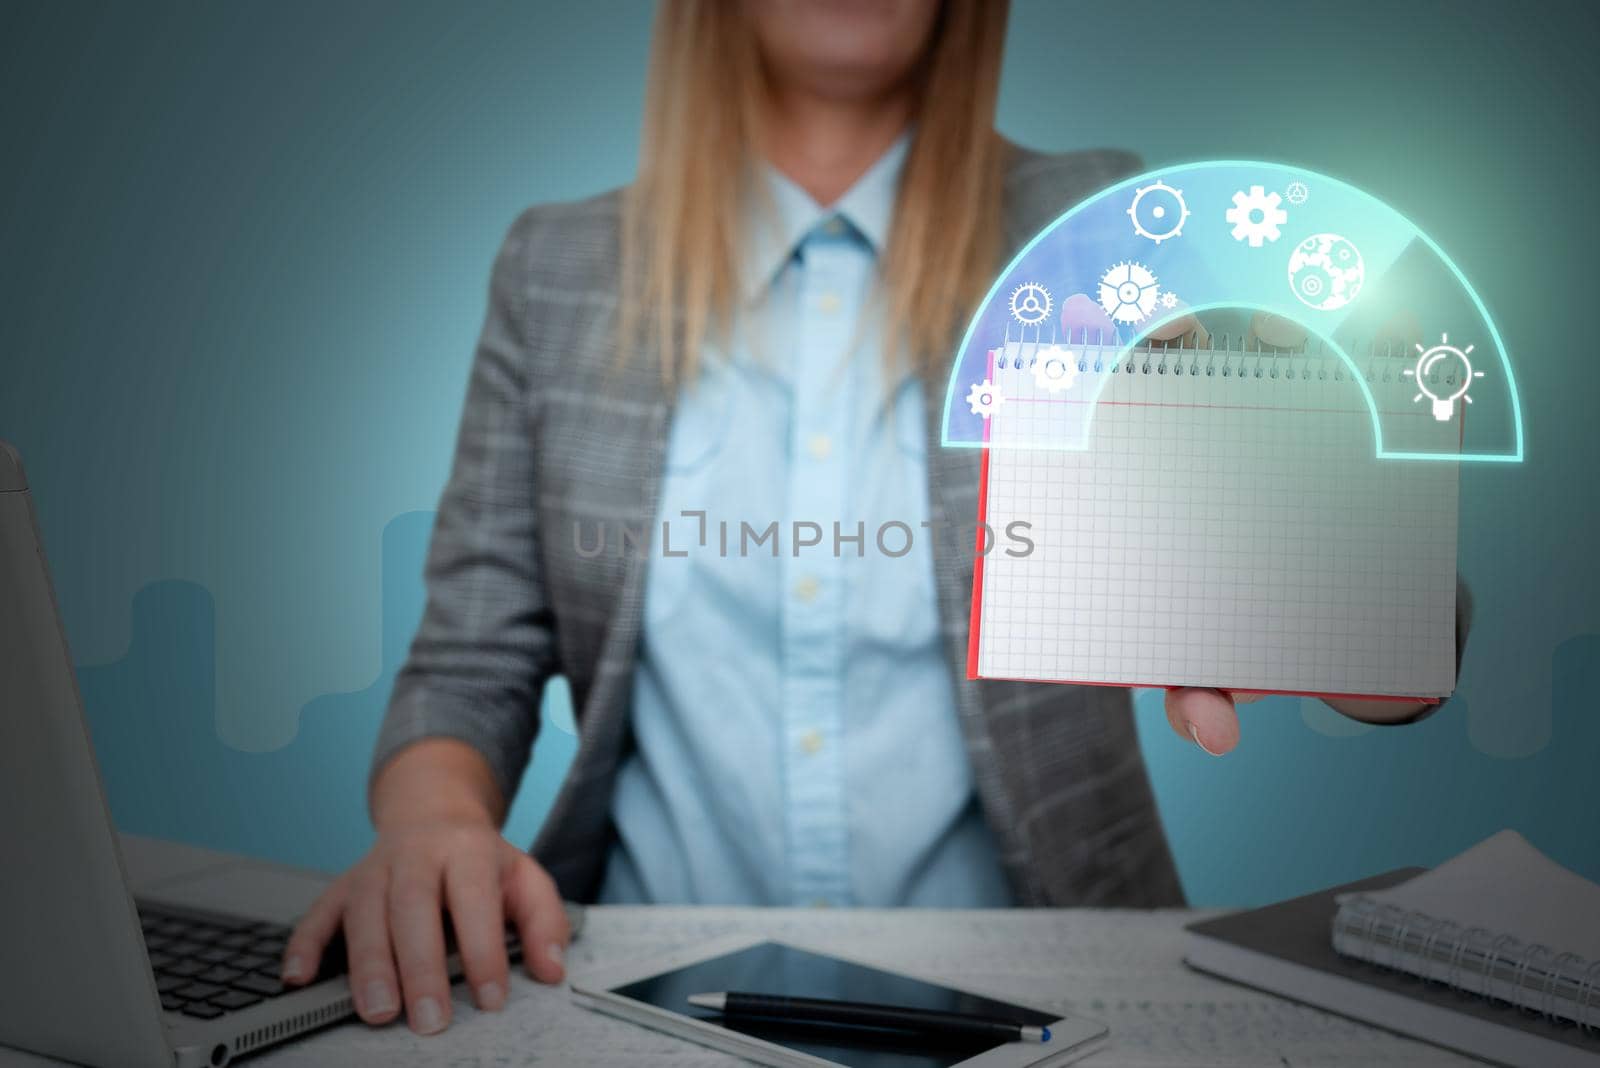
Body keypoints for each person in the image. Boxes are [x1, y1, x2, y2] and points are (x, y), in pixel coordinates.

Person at [282, 0, 1457, 1037]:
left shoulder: (1098, 235)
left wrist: (1343, 579)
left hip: (1049, 998)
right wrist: (434, 825)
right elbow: (469, 661)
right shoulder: (558, 267)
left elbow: (1369, 612)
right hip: (635, 997)